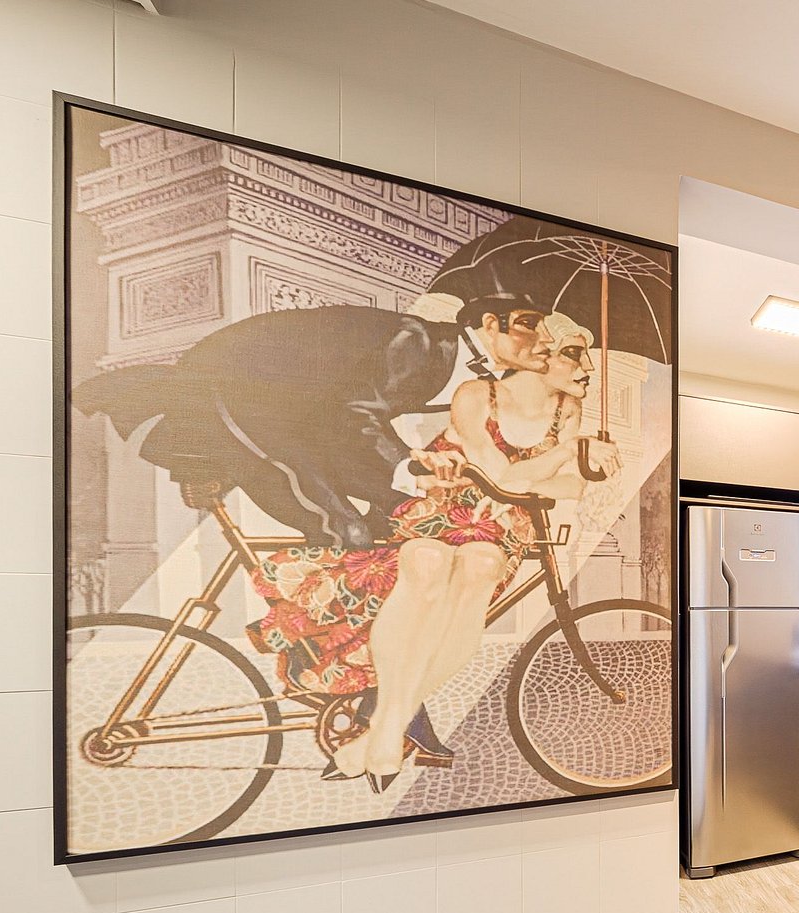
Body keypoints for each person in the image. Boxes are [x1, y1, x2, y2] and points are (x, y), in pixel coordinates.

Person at [249, 314, 619, 790]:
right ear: (541, 356)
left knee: (481, 566)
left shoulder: (567, 409)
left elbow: (571, 488)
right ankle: (389, 728)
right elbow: (500, 473)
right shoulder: (478, 395)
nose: (586, 366)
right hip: (441, 511)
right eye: (571, 352)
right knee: (426, 562)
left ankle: (383, 730)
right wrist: (561, 458)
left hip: (504, 527)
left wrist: (544, 473)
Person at [74, 292, 557, 548]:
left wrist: (403, 482)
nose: (545, 340)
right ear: (488, 326)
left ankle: (367, 665)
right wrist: (408, 464)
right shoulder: (419, 342)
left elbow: (345, 418)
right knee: (343, 531)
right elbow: (358, 413)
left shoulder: (468, 371)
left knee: (397, 518)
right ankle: (312, 661)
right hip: (240, 396)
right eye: (529, 324)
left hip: (297, 417)